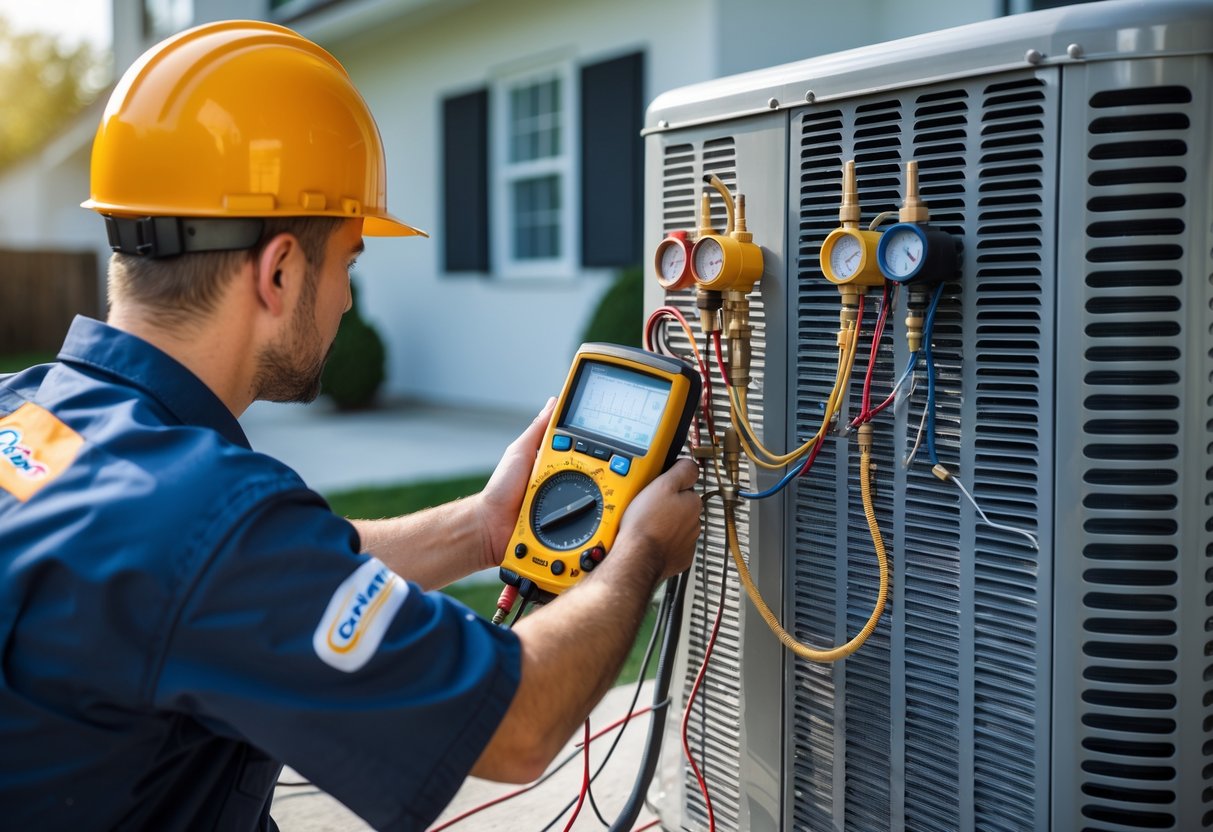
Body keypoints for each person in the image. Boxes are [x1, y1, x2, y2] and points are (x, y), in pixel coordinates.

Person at [0, 20, 701, 832]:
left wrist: (480, 526)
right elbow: (515, 725)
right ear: (281, 270)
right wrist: (643, 551)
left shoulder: (34, 414)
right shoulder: (201, 516)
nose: (343, 300)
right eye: (350, 263)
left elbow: (248, 580)